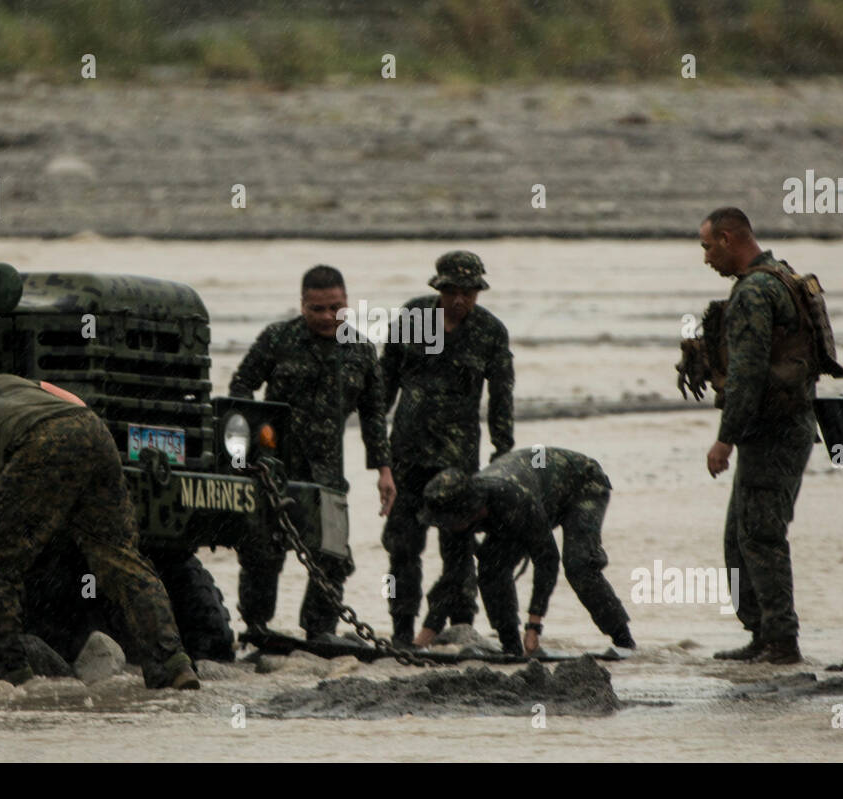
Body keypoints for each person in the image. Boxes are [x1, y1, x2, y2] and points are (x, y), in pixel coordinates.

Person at [0, 373, 199, 689]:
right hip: (91, 429)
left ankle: (8, 676)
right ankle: (172, 664)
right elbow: (72, 400)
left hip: (42, 441)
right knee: (120, 558)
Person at [229, 264, 395, 642]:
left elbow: (373, 417)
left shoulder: (361, 351)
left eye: (335, 308)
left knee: (333, 557)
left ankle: (319, 634)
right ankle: (256, 630)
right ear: (302, 305)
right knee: (263, 554)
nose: (327, 317)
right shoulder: (277, 339)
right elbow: (241, 385)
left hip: (328, 474)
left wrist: (384, 471)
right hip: (275, 469)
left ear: (347, 304)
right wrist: (254, 440)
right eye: (317, 309)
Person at [699, 206, 816, 665]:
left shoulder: (754, 292)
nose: (706, 258)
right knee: (739, 538)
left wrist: (724, 439)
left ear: (729, 239)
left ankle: (781, 641)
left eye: (708, 246)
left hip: (772, 432)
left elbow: (747, 374)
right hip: (782, 427)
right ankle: (762, 633)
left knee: (761, 536)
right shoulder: (781, 275)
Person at [380, 250, 515, 648]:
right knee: (402, 547)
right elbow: (383, 383)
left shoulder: (491, 332)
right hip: (406, 454)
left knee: (458, 546)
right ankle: (402, 631)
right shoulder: (412, 318)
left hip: (458, 461)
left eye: (469, 292)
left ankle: (460, 625)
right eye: (452, 291)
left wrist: (503, 452)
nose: (460, 300)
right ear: (438, 288)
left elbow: (501, 396)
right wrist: (378, 454)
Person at [416, 447, 633, 656]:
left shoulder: (515, 501)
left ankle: (623, 641)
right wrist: (424, 638)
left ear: (469, 511)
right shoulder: (453, 515)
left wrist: (533, 626)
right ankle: (510, 646)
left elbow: (547, 559)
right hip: (534, 495)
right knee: (491, 567)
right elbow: (454, 576)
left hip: (582, 484)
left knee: (579, 565)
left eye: (449, 521)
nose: (446, 527)